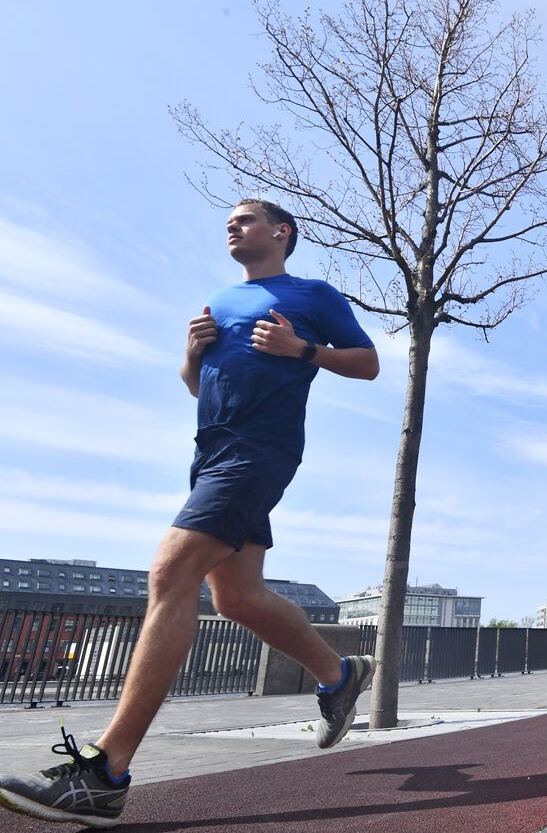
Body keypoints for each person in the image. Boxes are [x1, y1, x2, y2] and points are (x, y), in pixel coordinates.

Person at [0, 199, 381, 828]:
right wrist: (190, 355)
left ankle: (104, 773)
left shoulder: (312, 293)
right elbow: (199, 387)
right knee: (235, 598)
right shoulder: (219, 300)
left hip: (260, 451)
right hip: (212, 452)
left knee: (168, 575)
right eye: (228, 222)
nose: (231, 227)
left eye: (245, 220)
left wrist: (302, 348)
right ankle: (338, 676)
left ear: (281, 232)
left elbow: (366, 364)